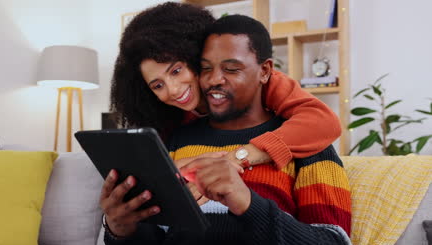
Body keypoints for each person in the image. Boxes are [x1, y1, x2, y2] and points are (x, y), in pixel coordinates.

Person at [100, 14, 352, 245]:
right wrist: (120, 226)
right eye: (157, 85)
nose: (174, 89)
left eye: (231, 68)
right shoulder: (175, 134)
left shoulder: (305, 137)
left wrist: (246, 199)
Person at [110, 2, 342, 171]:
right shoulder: (167, 118)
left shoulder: (259, 83)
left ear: (194, 55)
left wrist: (244, 154)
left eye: (176, 70)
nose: (172, 89)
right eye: (157, 85)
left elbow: (324, 121)